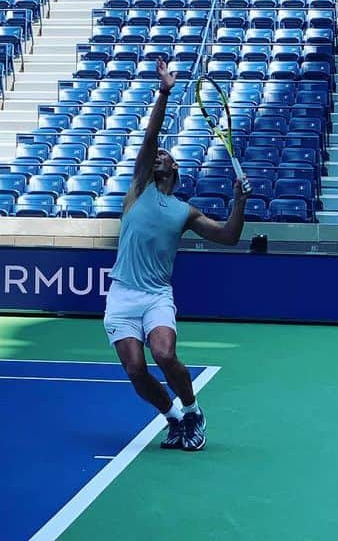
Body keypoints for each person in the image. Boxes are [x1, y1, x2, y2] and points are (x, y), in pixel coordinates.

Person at [104, 57, 249, 453]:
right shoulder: (138, 189)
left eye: (165, 155)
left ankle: (193, 410)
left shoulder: (185, 211)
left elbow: (230, 237)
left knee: (164, 354)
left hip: (155, 296)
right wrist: (165, 91)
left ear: (175, 167)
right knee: (135, 370)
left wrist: (238, 203)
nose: (158, 156)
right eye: (155, 155)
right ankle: (172, 418)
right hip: (121, 296)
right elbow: (149, 139)